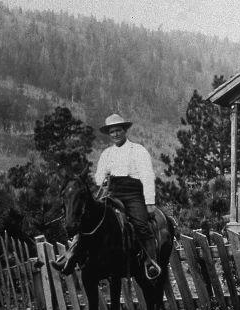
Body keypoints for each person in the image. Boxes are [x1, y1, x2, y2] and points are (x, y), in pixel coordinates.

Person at [53, 114, 162, 279]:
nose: (115, 134)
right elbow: (98, 177)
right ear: (109, 134)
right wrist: (102, 178)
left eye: (118, 130)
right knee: (90, 219)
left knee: (141, 224)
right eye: (112, 132)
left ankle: (150, 262)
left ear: (125, 130)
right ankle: (70, 256)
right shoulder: (106, 154)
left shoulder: (138, 150)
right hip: (112, 192)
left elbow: (147, 177)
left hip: (133, 193)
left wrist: (149, 202)